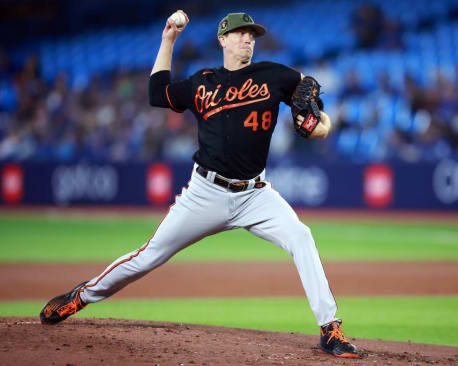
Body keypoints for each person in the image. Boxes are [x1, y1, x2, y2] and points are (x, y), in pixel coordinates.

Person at [39, 11, 358, 359]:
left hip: (255, 194)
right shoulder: (202, 81)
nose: (248, 39)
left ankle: (330, 329)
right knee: (148, 257)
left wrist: (317, 116)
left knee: (301, 236)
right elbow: (157, 93)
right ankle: (81, 296)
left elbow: (312, 108)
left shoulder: (274, 75)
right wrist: (168, 40)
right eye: (240, 34)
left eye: (251, 34)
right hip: (205, 192)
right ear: (222, 40)